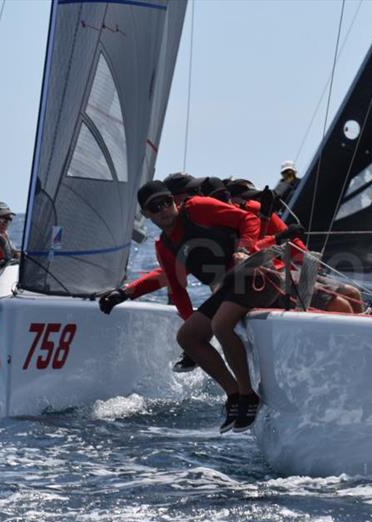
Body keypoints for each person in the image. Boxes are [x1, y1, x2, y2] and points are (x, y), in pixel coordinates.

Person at [99, 180, 283, 432]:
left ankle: (247, 395)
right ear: (146, 214)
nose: (164, 209)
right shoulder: (164, 246)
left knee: (220, 325)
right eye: (155, 207)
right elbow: (177, 289)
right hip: (229, 289)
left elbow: (247, 221)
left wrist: (244, 248)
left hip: (255, 276)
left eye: (167, 202)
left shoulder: (197, 207)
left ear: (174, 200)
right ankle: (234, 396)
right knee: (188, 337)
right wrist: (191, 321)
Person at [227, 179, 365, 313]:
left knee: (352, 293)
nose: (251, 202)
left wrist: (311, 261)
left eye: (254, 197)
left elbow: (291, 240)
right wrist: (277, 238)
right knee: (339, 304)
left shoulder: (259, 209)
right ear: (232, 201)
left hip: (288, 272)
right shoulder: (229, 221)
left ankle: (368, 334)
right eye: (245, 199)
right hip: (266, 278)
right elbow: (249, 252)